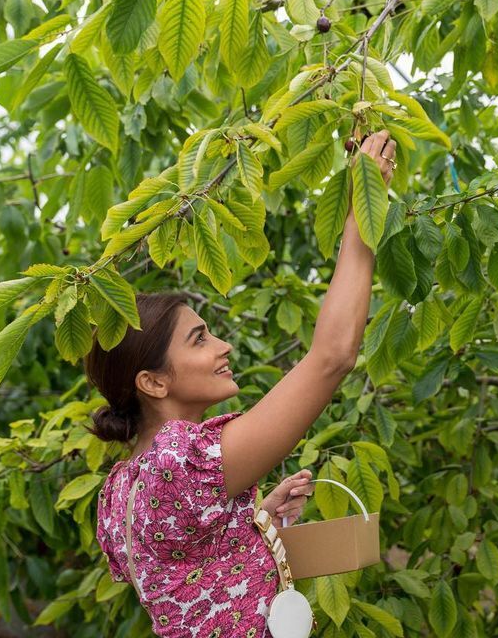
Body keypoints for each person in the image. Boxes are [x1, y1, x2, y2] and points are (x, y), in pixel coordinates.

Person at [85, 130, 397, 637]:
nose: (222, 347)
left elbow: (189, 577)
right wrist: (362, 212)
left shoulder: (121, 488)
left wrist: (253, 525)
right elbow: (332, 357)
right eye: (200, 339)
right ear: (153, 382)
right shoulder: (179, 462)